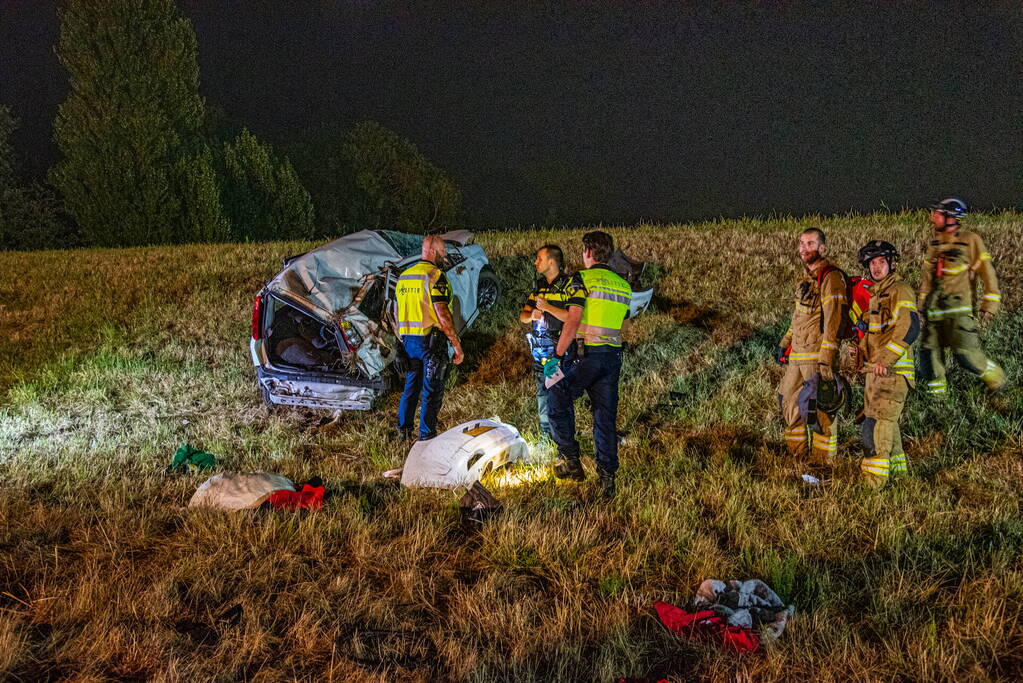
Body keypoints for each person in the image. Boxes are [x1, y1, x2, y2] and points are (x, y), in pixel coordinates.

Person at [545, 231, 632, 498]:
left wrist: (556, 357)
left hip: (584, 356)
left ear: (588, 252)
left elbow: (573, 321)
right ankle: (607, 479)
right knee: (604, 419)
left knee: (556, 396)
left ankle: (570, 460)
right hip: (612, 358)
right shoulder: (623, 286)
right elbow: (624, 322)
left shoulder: (580, 279)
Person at [775, 228, 847, 471]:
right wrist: (785, 343)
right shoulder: (805, 281)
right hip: (797, 357)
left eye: (810, 243)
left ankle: (822, 465)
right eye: (801, 243)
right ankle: (797, 459)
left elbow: (834, 320)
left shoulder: (831, 278)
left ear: (823, 248)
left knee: (821, 413)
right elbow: (798, 318)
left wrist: (827, 358)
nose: (804, 248)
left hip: (817, 359)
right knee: (788, 405)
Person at [918, 198, 1006, 395]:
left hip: (958, 310)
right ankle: (939, 400)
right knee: (928, 355)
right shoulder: (936, 243)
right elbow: (927, 278)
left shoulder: (971, 240)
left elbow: (987, 273)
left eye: (939, 214)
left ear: (951, 218)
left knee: (967, 357)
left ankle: (998, 381)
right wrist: (922, 304)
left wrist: (990, 304)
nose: (934, 218)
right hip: (934, 311)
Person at [851, 241, 920, 487]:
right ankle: (901, 478)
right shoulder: (875, 296)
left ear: (892, 264)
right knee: (887, 424)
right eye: (872, 263)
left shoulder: (899, 290)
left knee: (875, 427)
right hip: (876, 372)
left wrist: (885, 360)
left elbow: (909, 326)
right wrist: (859, 352)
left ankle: (873, 486)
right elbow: (874, 335)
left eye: (881, 262)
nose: (876, 267)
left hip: (892, 372)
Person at [395, 235, 464, 440]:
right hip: (431, 342)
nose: (445, 256)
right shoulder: (435, 276)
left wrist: (400, 343)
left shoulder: (404, 277)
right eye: (443, 251)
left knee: (411, 386)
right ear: (432, 251)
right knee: (431, 391)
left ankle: (404, 430)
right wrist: (456, 344)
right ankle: (427, 435)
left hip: (408, 341)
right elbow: (443, 315)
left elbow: (397, 313)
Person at [519, 245, 571, 440]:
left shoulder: (568, 286)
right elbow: (522, 316)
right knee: (542, 395)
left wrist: (548, 308)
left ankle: (562, 438)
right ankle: (546, 436)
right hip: (539, 354)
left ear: (552, 261)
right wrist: (532, 314)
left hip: (559, 353)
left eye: (539, 258)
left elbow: (573, 318)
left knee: (558, 396)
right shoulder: (538, 287)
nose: (535, 262)